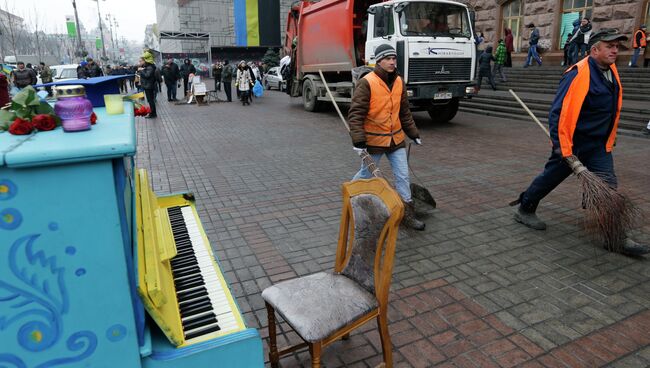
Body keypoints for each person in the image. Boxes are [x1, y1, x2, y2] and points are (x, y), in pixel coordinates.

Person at [511, 29, 649, 256]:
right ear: (595, 50)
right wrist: (563, 148)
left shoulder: (611, 71)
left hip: (598, 146)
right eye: (610, 46)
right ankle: (525, 208)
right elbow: (559, 114)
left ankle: (614, 236)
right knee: (549, 179)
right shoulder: (577, 74)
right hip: (573, 145)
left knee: (608, 187)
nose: (615, 50)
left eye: (617, 46)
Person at [348, 44, 425, 231]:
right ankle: (350, 197)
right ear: (378, 61)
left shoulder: (399, 81)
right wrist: (358, 141)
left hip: (396, 140)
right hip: (374, 140)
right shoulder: (367, 82)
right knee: (366, 175)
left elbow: (404, 112)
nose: (392, 62)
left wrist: (413, 134)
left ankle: (406, 214)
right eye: (387, 59)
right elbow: (356, 114)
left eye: (394, 58)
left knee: (403, 176)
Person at [138, 52, 157, 119]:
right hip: (147, 85)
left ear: (145, 60)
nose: (140, 62)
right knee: (150, 100)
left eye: (141, 61)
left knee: (150, 100)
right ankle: (152, 113)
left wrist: (141, 70)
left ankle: (153, 113)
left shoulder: (150, 67)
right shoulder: (147, 66)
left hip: (149, 86)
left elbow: (147, 75)